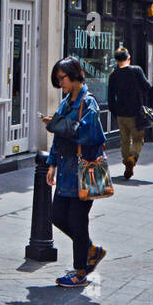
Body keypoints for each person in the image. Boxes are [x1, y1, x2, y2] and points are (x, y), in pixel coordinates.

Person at [42, 57, 108, 287]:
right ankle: (90, 249)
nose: (61, 84)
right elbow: (59, 138)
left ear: (75, 75)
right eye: (58, 80)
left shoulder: (88, 103)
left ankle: (80, 272)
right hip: (65, 173)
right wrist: (51, 164)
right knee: (58, 216)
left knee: (78, 222)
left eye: (63, 78)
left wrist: (57, 124)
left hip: (83, 171)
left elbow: (90, 136)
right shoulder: (66, 102)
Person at [106, 46, 152, 180]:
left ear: (116, 60)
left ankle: (127, 162)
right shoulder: (136, 70)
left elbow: (110, 97)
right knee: (138, 139)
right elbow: (147, 86)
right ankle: (132, 158)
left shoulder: (113, 75)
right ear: (129, 58)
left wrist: (114, 112)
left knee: (125, 140)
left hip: (121, 114)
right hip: (135, 113)